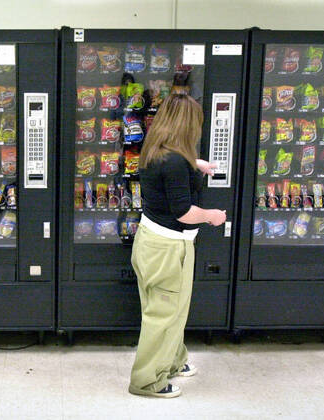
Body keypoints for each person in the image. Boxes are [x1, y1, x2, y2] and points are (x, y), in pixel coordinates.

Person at [127, 93, 226, 398]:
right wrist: (212, 216)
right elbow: (183, 212)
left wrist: (194, 164)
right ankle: (147, 381)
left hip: (152, 241)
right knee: (164, 315)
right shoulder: (173, 163)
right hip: (168, 248)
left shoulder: (155, 149)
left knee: (169, 309)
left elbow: (170, 171)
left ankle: (171, 360)